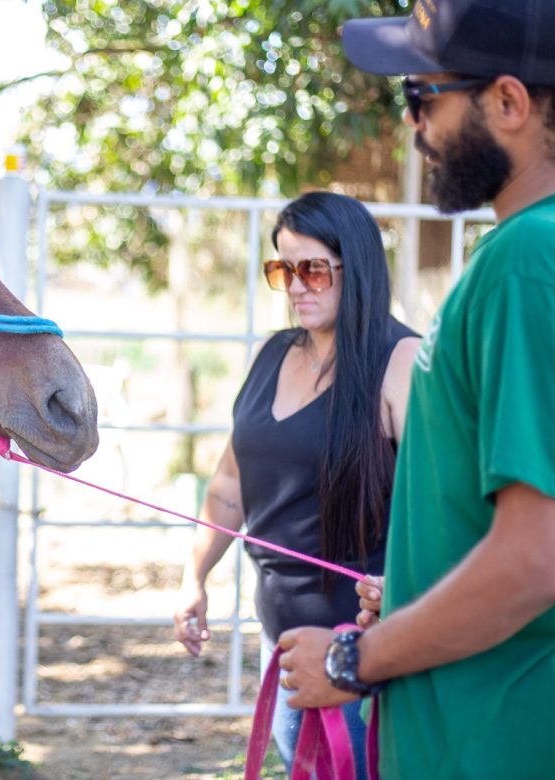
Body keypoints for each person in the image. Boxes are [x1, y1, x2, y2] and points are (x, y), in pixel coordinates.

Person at [278, 1, 555, 778]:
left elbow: (538, 559)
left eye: (423, 95)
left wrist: (351, 660)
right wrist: (420, 588)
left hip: (497, 741)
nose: (413, 123)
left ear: (508, 101)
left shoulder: (533, 260)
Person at [173, 190, 420, 778]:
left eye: (313, 269)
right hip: (282, 644)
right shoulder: (273, 353)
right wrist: (194, 576)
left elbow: (441, 502)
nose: (296, 287)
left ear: (355, 267)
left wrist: (408, 587)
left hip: (363, 650)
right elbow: (230, 483)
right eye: (282, 270)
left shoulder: (401, 360)